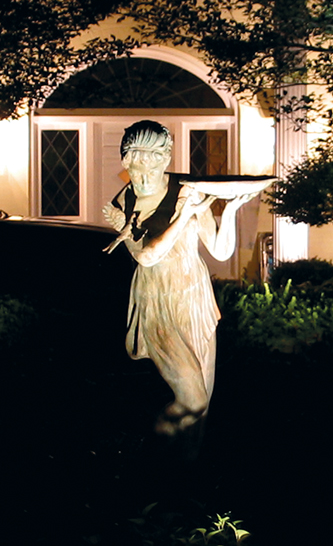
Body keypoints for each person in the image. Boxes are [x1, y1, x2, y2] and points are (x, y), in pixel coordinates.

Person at [103, 120, 252, 436]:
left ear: (166, 160)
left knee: (203, 405)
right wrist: (184, 215)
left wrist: (229, 213)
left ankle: (185, 475)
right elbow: (146, 256)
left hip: (195, 300)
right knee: (192, 399)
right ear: (126, 162)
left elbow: (220, 251)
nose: (143, 178)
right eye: (136, 169)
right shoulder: (124, 204)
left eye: (151, 169)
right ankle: (151, 459)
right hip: (158, 302)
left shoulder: (188, 189)